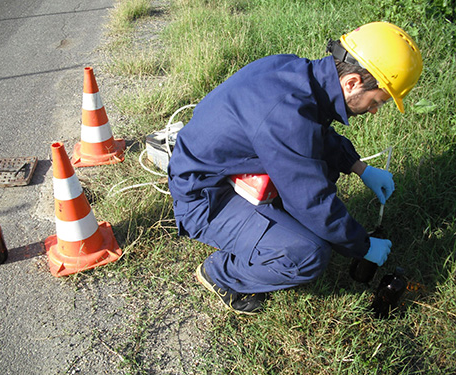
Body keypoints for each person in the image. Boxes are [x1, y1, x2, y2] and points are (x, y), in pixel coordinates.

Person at [167, 22, 423, 315]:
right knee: (309, 254)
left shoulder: (296, 73)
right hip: (205, 198)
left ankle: (269, 227)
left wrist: (360, 168)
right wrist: (363, 246)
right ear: (352, 82)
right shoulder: (284, 116)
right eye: (377, 101)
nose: (375, 110)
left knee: (322, 172)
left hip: (222, 171)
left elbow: (314, 132)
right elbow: (313, 203)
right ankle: (222, 274)